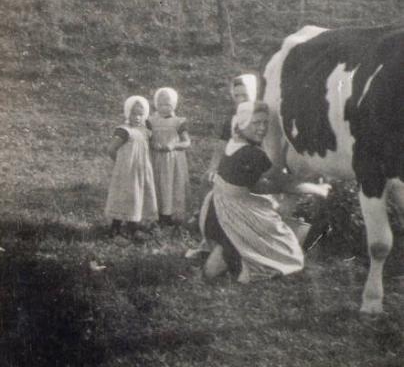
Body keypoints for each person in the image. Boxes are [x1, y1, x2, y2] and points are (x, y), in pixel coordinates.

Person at [199, 101, 331, 282]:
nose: (262, 128)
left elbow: (252, 184)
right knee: (283, 241)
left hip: (220, 205)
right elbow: (282, 183)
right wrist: (317, 189)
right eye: (256, 123)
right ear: (243, 123)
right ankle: (251, 261)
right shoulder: (252, 153)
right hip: (237, 210)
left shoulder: (234, 142)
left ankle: (228, 258)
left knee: (226, 251)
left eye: (265, 123)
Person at [105, 95, 158, 239]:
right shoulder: (124, 130)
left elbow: (149, 146)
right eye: (134, 114)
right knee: (123, 196)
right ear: (128, 113)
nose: (137, 118)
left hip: (141, 170)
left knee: (137, 196)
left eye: (141, 114)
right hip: (126, 171)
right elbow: (111, 149)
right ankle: (115, 226)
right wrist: (121, 163)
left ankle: (132, 226)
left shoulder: (145, 131)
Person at [149, 87, 191, 226]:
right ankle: (155, 213)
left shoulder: (178, 122)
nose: (164, 108)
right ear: (156, 104)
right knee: (156, 184)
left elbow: (186, 142)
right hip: (155, 158)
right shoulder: (151, 121)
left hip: (172, 160)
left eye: (167, 104)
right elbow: (147, 138)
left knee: (170, 185)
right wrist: (153, 144)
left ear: (174, 105)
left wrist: (173, 146)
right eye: (160, 104)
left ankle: (169, 215)